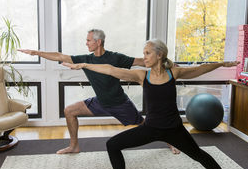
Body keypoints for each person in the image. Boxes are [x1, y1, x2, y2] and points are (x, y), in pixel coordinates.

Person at [62, 39, 239, 169]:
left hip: (174, 129)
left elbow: (200, 69)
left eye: (147, 53)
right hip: (150, 129)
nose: (144, 57)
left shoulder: (173, 73)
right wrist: (84, 65)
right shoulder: (142, 75)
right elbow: (110, 70)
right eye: (143, 53)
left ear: (159, 55)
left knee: (199, 155)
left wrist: (222, 64)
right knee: (112, 145)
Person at [18, 29, 180, 154]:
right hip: (100, 102)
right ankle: (74, 146)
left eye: (88, 40)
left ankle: (169, 140)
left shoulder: (115, 57)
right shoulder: (86, 59)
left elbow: (142, 62)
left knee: (144, 124)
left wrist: (169, 66)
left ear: (99, 42)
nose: (86, 43)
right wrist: (37, 53)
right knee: (69, 111)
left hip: (119, 104)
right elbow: (60, 56)